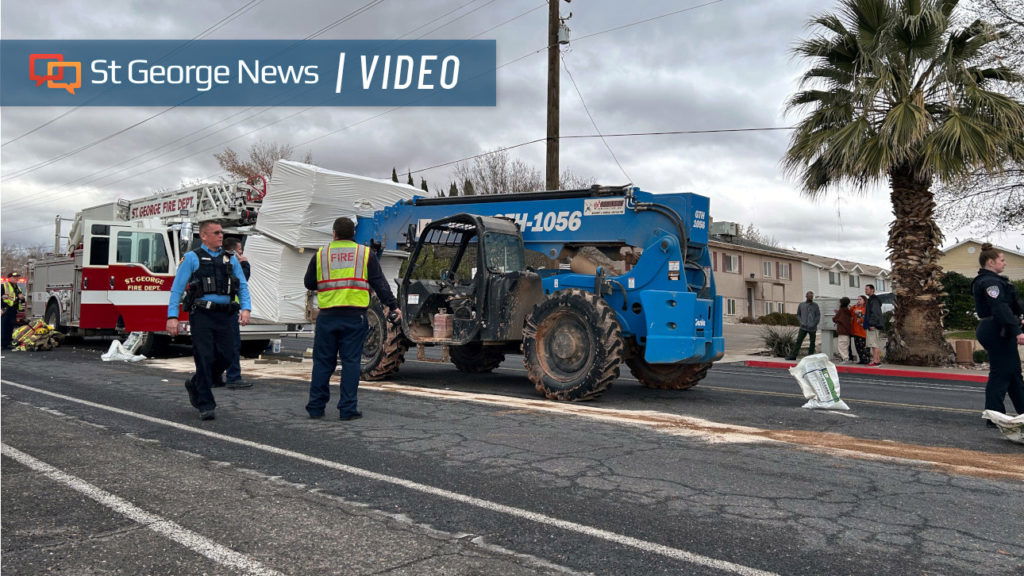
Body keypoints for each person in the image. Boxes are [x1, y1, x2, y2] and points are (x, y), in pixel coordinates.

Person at [304, 217, 400, 421]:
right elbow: (380, 284)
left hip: (328, 316)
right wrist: (393, 305)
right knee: (351, 363)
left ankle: (315, 407)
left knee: (322, 363)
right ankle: (347, 409)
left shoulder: (321, 255)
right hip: (354, 317)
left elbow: (309, 283)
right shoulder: (365, 254)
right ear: (353, 234)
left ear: (334, 233)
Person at [166, 221, 252, 421]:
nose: (221, 236)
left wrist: (246, 308)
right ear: (204, 236)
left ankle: (196, 382)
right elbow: (177, 289)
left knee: (228, 355)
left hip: (227, 314)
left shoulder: (230, 259)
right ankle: (206, 403)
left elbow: (243, 287)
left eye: (221, 232)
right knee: (204, 357)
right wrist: (172, 316)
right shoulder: (191, 258)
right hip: (203, 315)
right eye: (216, 233)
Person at [971, 243, 1024, 424]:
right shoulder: (989, 282)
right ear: (991, 262)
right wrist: (1017, 331)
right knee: (1001, 373)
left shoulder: (996, 281)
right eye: (1002, 260)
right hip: (995, 331)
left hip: (1000, 329)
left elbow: (1009, 306)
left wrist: (1018, 320)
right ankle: (993, 416)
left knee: (1013, 373)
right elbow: (999, 307)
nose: (1005, 263)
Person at [221, 236, 252, 390]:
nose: (242, 253)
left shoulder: (217, 259)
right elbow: (242, 282)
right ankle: (233, 377)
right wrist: (245, 264)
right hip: (228, 309)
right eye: (240, 251)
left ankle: (213, 376)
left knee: (217, 345)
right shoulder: (232, 262)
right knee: (233, 344)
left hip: (219, 309)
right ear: (234, 251)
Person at [787, 291, 820, 361]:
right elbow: (798, 315)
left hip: (812, 328)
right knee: (798, 341)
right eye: (809, 296)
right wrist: (801, 322)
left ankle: (810, 356)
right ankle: (793, 355)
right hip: (803, 327)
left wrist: (814, 324)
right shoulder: (801, 305)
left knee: (812, 342)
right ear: (806, 296)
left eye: (812, 296)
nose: (811, 297)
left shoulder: (815, 305)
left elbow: (818, 316)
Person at [2, 272, 25, 350]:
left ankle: (8, 342)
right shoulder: (4, 286)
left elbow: (20, 298)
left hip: (13, 310)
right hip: (5, 309)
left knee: (10, 327)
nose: (17, 278)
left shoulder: (17, 287)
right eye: (14, 277)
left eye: (17, 277)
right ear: (9, 278)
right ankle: (3, 344)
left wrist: (22, 298)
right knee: (4, 327)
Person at [864, 284, 884, 366]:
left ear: (872, 290)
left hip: (873, 325)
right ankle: (876, 359)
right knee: (874, 343)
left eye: (867, 289)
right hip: (873, 324)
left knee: (874, 343)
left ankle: (876, 360)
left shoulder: (874, 300)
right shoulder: (871, 300)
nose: (865, 291)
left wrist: (872, 324)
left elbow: (875, 313)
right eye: (865, 289)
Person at [832, 296, 854, 363]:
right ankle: (847, 358)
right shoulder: (848, 310)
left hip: (842, 330)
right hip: (847, 331)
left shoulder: (841, 310)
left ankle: (845, 358)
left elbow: (835, 319)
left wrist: (837, 316)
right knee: (846, 345)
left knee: (841, 345)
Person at [850, 295, 868, 364]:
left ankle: (866, 359)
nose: (858, 301)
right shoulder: (856, 307)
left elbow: (864, 317)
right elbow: (851, 311)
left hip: (862, 331)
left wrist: (860, 318)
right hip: (855, 331)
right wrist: (854, 306)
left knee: (863, 347)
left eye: (860, 299)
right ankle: (861, 359)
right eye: (858, 299)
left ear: (864, 300)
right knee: (858, 347)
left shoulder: (865, 308)